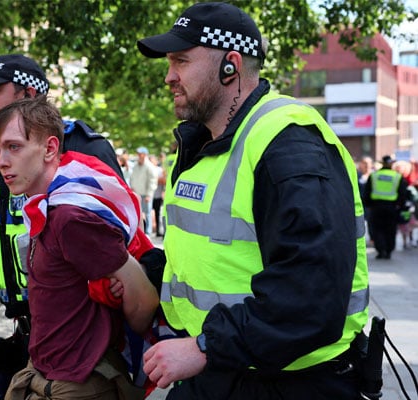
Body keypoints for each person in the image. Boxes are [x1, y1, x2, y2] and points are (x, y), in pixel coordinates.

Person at [137, 3, 370, 399]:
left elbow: (312, 292)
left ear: (230, 65)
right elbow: (217, 261)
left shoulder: (287, 142)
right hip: (222, 371)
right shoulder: (203, 145)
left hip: (291, 383)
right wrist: (143, 268)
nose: (168, 77)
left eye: (180, 61)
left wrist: (204, 346)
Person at [0, 96, 159, 399]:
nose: (1, 160)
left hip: (78, 384)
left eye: (14, 147)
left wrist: (111, 340)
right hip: (46, 375)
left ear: (50, 148)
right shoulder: (45, 206)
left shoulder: (69, 217)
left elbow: (144, 298)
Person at [0, 53, 125, 343]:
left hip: (85, 327)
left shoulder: (84, 146)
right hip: (22, 327)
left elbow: (123, 236)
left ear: (29, 94)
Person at [362, 155, 409, 259]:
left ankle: (380, 250)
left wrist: (368, 205)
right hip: (391, 207)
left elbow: (367, 192)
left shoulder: (374, 175)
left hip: (376, 207)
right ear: (391, 163)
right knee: (390, 230)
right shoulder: (397, 176)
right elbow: (402, 194)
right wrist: (400, 207)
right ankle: (388, 251)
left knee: (377, 229)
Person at [129, 147, 159, 235]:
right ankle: (140, 232)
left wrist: (149, 195)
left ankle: (148, 233)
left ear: (145, 155)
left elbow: (152, 181)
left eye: (140, 153)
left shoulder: (149, 166)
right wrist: (132, 188)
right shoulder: (135, 165)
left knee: (148, 213)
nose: (138, 155)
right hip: (137, 193)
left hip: (146, 194)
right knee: (138, 213)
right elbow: (132, 178)